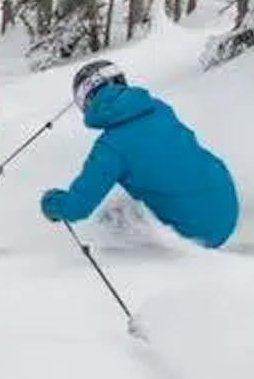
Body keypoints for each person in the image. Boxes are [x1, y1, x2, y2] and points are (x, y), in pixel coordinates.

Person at [39, 59, 240, 248]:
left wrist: (51, 202)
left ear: (87, 103)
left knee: (111, 219)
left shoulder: (110, 148)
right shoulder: (159, 108)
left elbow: (77, 208)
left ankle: (141, 266)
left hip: (197, 233)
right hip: (228, 207)